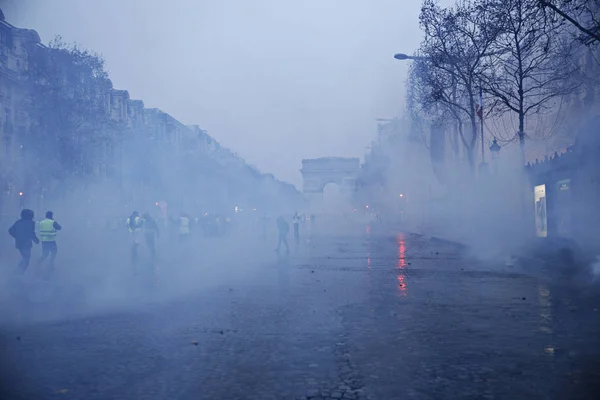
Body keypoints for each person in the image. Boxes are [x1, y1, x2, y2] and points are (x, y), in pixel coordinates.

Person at [8, 209, 39, 274]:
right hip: (26, 243)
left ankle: (17, 273)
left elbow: (10, 230)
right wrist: (36, 240)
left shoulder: (18, 222)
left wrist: (17, 236)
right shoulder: (31, 223)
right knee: (26, 260)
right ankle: (17, 274)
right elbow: (31, 233)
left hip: (19, 243)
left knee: (25, 258)